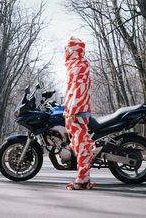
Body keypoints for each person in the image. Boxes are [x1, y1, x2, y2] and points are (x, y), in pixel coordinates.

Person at [64, 36, 95, 190]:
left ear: (73, 50)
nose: (66, 52)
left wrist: (73, 110)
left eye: (68, 49)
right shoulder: (77, 64)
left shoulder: (79, 65)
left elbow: (79, 90)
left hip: (78, 111)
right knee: (79, 144)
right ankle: (84, 178)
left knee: (81, 145)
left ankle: (82, 180)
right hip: (76, 110)